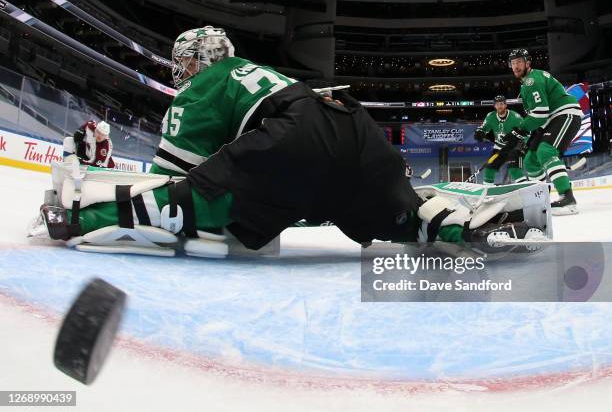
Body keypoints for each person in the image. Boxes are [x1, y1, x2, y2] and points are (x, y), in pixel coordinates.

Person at [35, 27, 550, 257]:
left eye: (186, 62)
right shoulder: (258, 72)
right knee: (404, 216)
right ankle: (469, 220)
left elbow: (171, 175)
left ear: (200, 60)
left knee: (191, 200)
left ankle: (77, 217)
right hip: (354, 129)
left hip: (294, 139)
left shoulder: (207, 85)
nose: (183, 71)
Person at [505, 49, 583, 215]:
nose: (516, 66)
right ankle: (540, 199)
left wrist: (519, 130)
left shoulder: (532, 81)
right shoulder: (527, 83)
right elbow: (538, 118)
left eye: (519, 61)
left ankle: (568, 200)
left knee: (546, 150)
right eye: (513, 63)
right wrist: (524, 139)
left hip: (564, 113)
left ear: (528, 63)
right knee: (530, 161)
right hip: (550, 120)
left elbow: (540, 112)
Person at [474, 95, 527, 185]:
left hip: (514, 146)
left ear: (505, 105)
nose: (499, 106)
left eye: (501, 104)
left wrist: (523, 146)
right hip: (499, 147)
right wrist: (480, 132)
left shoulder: (515, 117)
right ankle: (487, 192)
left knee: (513, 169)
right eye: (497, 104)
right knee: (489, 169)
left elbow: (526, 131)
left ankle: (526, 188)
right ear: (494, 106)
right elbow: (484, 128)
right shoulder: (490, 116)